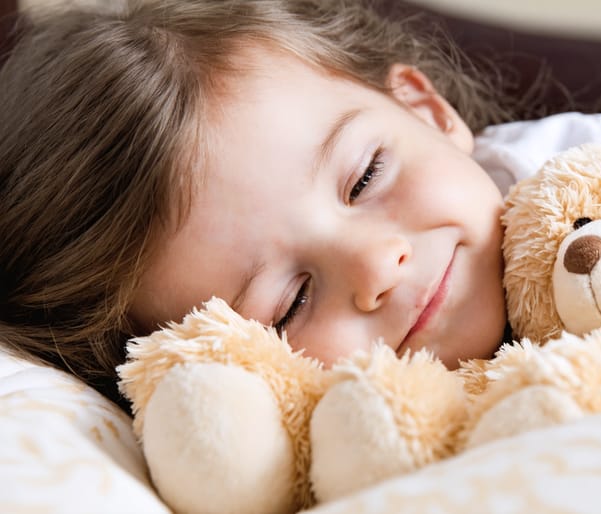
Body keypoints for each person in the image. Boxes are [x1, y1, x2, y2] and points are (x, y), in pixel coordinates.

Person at [0, 0, 521, 406]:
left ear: (425, 110)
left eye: (365, 179)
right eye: (290, 306)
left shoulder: (589, 169)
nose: (377, 264)